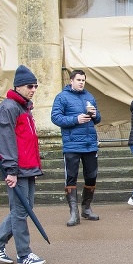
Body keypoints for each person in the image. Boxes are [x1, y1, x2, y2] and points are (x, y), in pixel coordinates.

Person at [0, 65, 47, 264]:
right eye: (30, 86)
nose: (33, 89)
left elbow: (28, 141)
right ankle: (24, 254)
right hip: (17, 169)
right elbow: (6, 141)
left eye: (36, 86)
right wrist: (11, 170)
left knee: (23, 210)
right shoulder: (9, 107)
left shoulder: (23, 108)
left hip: (27, 168)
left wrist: (34, 168)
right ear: (18, 86)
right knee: (20, 212)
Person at [51, 69, 102, 226]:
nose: (81, 82)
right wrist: (75, 119)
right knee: (71, 178)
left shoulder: (89, 96)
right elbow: (55, 117)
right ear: (71, 81)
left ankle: (86, 208)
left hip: (90, 144)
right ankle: (74, 213)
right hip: (72, 145)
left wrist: (94, 114)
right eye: (79, 80)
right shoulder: (62, 97)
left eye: (83, 80)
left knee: (91, 177)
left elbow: (98, 118)